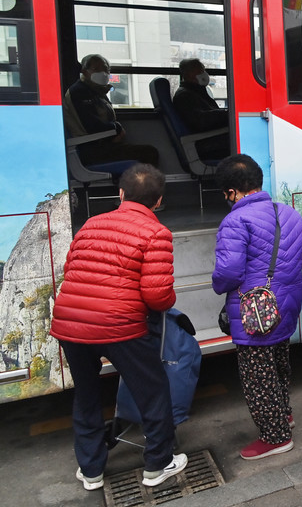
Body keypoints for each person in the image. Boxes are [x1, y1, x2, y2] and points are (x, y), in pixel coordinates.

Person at [51, 164, 187, 491]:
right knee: (152, 392)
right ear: (158, 201)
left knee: (86, 396)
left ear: (121, 193)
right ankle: (157, 465)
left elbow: (72, 269)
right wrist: (168, 301)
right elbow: (156, 296)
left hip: (71, 324)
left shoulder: (90, 224)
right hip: (120, 326)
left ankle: (91, 471)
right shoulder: (156, 232)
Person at [213, 154, 302, 460]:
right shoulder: (288, 212)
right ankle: (283, 416)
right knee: (279, 363)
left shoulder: (235, 220)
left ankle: (275, 437)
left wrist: (217, 285)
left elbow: (228, 273)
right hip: (287, 303)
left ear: (232, 191)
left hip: (256, 310)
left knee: (258, 374)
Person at [63, 54, 159, 167]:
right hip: (91, 150)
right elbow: (92, 126)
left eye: (106, 69)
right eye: (96, 69)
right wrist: (117, 129)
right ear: (84, 71)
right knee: (149, 153)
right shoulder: (79, 92)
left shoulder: (97, 92)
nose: (103, 73)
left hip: (101, 144)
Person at [173, 58, 230, 159]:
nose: (204, 74)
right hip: (206, 143)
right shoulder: (185, 96)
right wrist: (227, 114)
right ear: (188, 74)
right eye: (200, 71)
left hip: (210, 138)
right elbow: (201, 122)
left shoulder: (196, 92)